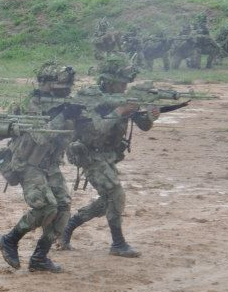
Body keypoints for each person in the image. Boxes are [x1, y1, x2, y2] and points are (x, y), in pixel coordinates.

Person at [59, 54, 159, 257]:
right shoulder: (90, 98)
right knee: (116, 194)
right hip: (88, 154)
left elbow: (143, 125)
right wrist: (120, 110)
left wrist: (149, 115)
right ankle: (118, 243)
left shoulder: (121, 99)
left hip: (109, 155)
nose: (124, 87)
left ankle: (70, 226)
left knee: (108, 200)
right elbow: (96, 130)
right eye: (121, 83)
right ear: (109, 82)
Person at [0, 62, 77, 273]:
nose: (65, 91)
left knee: (63, 207)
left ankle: (40, 256)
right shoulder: (30, 104)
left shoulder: (64, 104)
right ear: (45, 84)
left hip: (49, 164)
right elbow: (41, 135)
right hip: (27, 163)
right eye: (60, 87)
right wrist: (63, 115)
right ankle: (10, 239)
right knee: (46, 206)